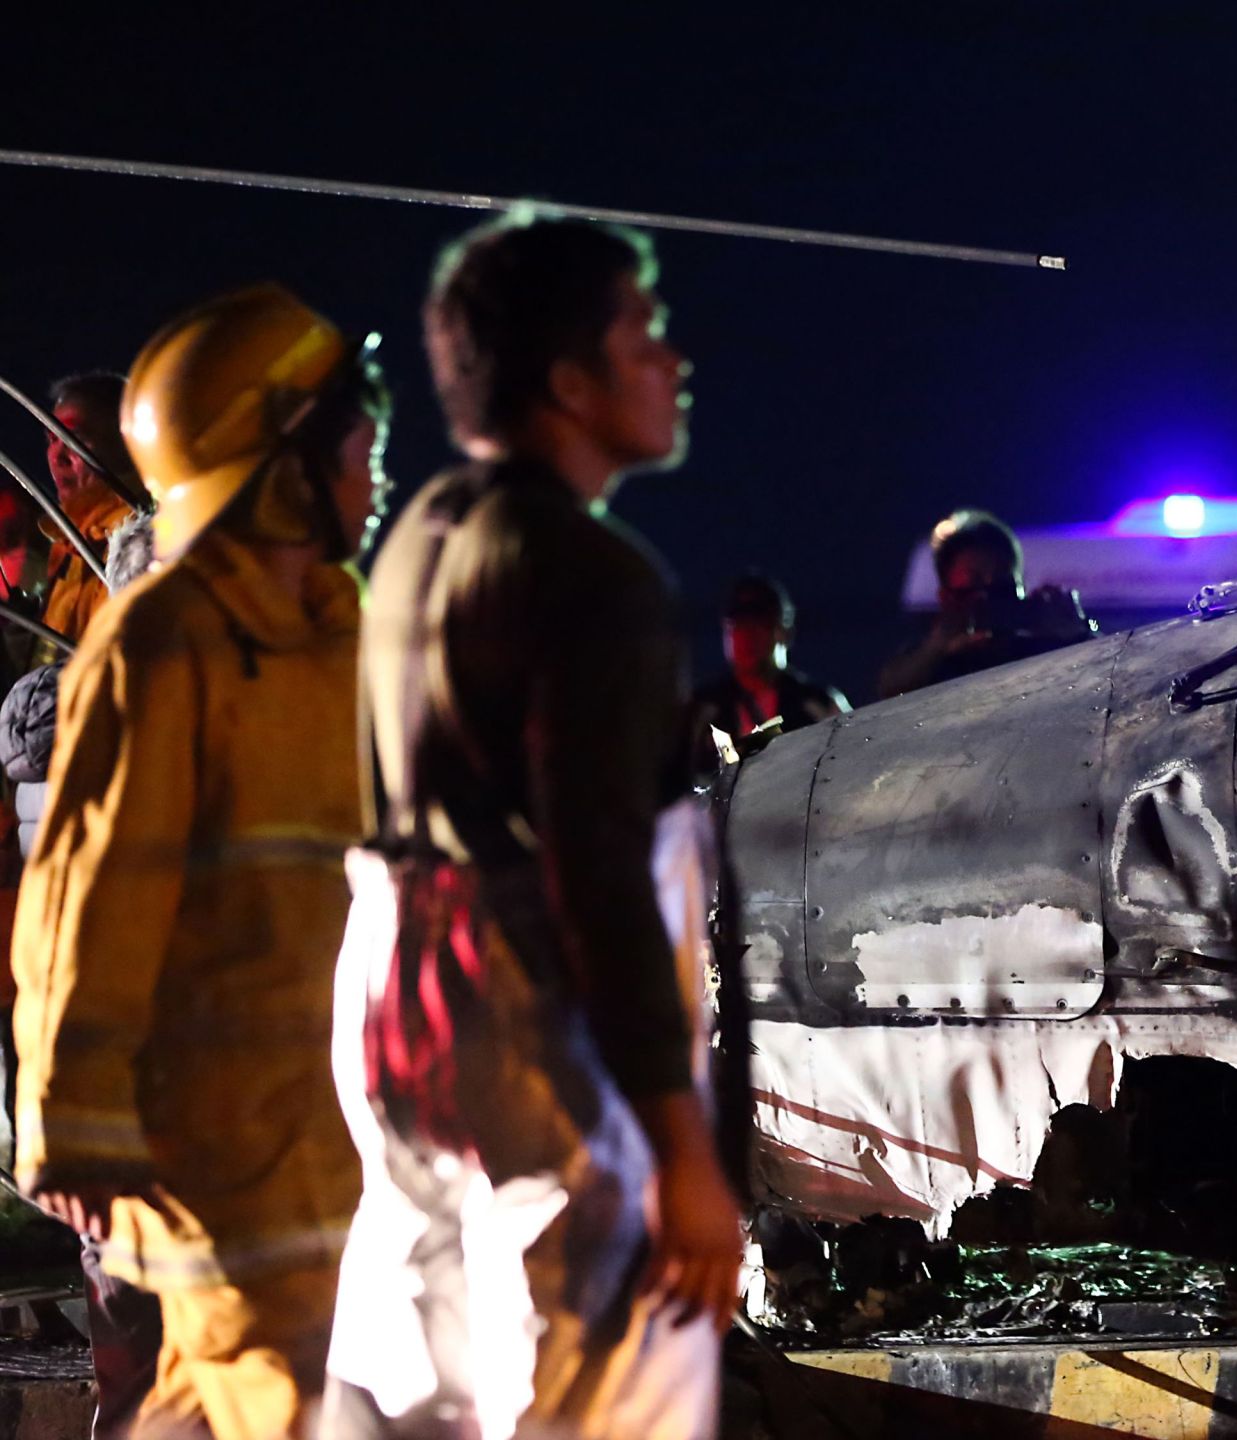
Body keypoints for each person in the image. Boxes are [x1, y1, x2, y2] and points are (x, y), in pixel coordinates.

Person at [324, 215, 739, 1439]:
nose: (674, 361)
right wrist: (683, 1153)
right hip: (526, 1012)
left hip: (392, 995)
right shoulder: (589, 573)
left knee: (418, 1383)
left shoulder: (418, 539)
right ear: (569, 381)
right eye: (642, 333)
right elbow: (599, 875)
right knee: (607, 1371)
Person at [11, 285, 388, 1439]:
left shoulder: (348, 634)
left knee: (238, 1397)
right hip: (198, 1137)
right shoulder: (164, 638)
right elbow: (87, 886)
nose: (373, 485)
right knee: (267, 1392)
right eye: (356, 454)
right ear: (270, 460)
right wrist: (68, 1116)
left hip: (332, 1119)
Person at [875, 507, 1092, 698]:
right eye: (973, 581)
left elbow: (1109, 679)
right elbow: (891, 690)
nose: (989, 594)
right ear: (946, 597)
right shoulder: (935, 665)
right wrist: (938, 645)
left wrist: (1077, 633)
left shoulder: (1048, 653)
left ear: (1021, 587)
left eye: (1002, 579)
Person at [691, 572, 847, 772]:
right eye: (738, 625)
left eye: (760, 625)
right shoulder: (702, 709)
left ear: (785, 632)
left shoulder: (819, 704)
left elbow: (848, 764)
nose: (747, 636)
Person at [39, 374, 141, 653]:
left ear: (125, 443)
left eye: (73, 437)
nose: (56, 456)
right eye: (51, 438)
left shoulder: (140, 543)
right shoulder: (68, 544)